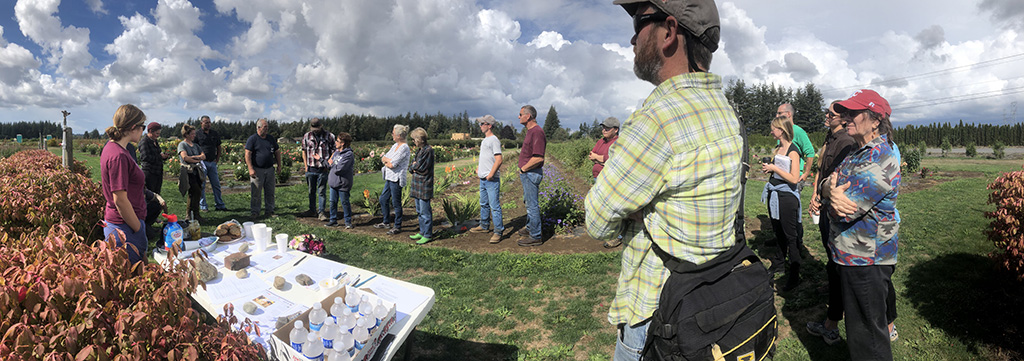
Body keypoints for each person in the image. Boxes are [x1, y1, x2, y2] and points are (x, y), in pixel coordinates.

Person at [586, 0, 745, 359]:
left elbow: (597, 220)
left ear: (670, 32)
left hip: (656, 315)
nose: (632, 39)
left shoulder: (655, 119)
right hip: (714, 298)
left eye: (640, 22)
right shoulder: (726, 110)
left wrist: (641, 212)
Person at [822, 89, 900, 361]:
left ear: (876, 119)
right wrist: (829, 193)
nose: (845, 118)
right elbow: (826, 183)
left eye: (853, 112)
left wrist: (830, 199)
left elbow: (844, 213)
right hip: (851, 256)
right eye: (845, 112)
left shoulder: (880, 158)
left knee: (868, 339)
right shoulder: (856, 152)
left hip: (867, 260)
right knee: (859, 333)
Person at [805, 101, 857, 344]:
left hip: (834, 207)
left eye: (831, 114)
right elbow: (822, 172)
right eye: (827, 112)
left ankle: (834, 321)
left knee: (837, 264)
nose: (827, 116)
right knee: (832, 259)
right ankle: (837, 309)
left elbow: (837, 180)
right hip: (825, 204)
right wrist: (816, 195)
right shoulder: (830, 138)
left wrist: (824, 197)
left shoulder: (846, 142)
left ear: (843, 118)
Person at [101, 104, 149, 265]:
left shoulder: (114, 148)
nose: (143, 131)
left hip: (125, 224)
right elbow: (120, 199)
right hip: (125, 227)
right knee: (133, 277)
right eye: (143, 127)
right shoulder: (118, 156)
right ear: (134, 127)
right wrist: (137, 228)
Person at [760, 116, 804, 291]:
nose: (771, 132)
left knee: (791, 235)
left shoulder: (793, 151)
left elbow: (794, 179)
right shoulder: (778, 148)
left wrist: (774, 168)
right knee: (778, 231)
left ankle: (795, 273)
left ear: (782, 130)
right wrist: (769, 169)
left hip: (786, 198)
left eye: (774, 129)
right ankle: (779, 263)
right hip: (775, 194)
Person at [469, 115, 505, 244]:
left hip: (491, 179)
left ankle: (498, 231)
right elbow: (486, 158)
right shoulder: (485, 140)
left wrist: (491, 174)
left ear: (489, 125)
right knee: (483, 203)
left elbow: (499, 159)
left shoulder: (494, 140)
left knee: (494, 206)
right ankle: (484, 226)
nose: (480, 126)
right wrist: (479, 168)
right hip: (483, 178)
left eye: (482, 123)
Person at [589, 117, 621, 248]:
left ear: (616, 130)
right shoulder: (601, 142)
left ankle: (617, 237)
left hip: (610, 180)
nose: (604, 130)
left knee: (613, 208)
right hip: (598, 178)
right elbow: (592, 155)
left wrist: (600, 159)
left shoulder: (619, 143)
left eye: (607, 128)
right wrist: (602, 160)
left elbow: (614, 159)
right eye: (603, 128)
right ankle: (608, 232)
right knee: (603, 207)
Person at [517, 105, 546, 247]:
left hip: (531, 173)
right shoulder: (530, 131)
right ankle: (530, 228)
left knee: (532, 206)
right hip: (528, 173)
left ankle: (535, 236)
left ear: (528, 116)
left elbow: (538, 158)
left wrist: (524, 168)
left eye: (520, 114)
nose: (519, 116)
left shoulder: (537, 132)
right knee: (528, 202)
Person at [374, 124, 410, 235]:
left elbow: (392, 164)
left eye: (393, 133)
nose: (392, 135)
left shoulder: (404, 147)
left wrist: (387, 160)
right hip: (389, 177)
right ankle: (386, 222)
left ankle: (397, 225)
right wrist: (387, 160)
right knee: (383, 199)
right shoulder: (395, 146)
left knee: (396, 203)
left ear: (399, 135)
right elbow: (384, 158)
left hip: (397, 178)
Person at [245, 119, 281, 218]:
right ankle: (255, 212)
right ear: (258, 127)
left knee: (270, 192)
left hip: (270, 169)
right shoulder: (253, 139)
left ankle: (270, 211)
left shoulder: (271, 138)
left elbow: (277, 152)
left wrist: (279, 165)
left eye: (267, 127)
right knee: (256, 192)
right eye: (265, 127)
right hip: (257, 170)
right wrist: (250, 168)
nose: (267, 129)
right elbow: (247, 154)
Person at [301, 118, 335, 220]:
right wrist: (306, 166)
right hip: (311, 169)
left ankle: (321, 212)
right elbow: (304, 151)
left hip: (322, 169)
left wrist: (328, 163)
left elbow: (334, 151)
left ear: (321, 126)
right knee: (311, 191)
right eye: (313, 128)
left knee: (321, 191)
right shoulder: (307, 136)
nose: (315, 130)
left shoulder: (329, 136)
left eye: (317, 127)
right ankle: (312, 210)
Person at [776, 103, 816, 183]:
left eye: (780, 113)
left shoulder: (798, 131)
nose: (777, 116)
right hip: (780, 175)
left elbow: (810, 152)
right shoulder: (780, 131)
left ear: (788, 114)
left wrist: (806, 173)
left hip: (794, 177)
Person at [408, 127, 435, 245]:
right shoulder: (420, 150)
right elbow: (412, 166)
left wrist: (414, 167)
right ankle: (422, 231)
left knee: (425, 211)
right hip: (417, 185)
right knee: (419, 211)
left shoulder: (428, 150)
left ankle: (428, 234)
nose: (413, 141)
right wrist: (413, 166)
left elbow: (421, 168)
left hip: (424, 185)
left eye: (414, 139)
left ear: (419, 139)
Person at [195, 115, 228, 211]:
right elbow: (194, 147)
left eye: (209, 122)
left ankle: (220, 205)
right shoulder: (197, 134)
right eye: (206, 122)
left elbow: (218, 147)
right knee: (202, 185)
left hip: (212, 162)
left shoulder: (214, 133)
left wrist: (217, 158)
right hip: (202, 162)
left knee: (216, 184)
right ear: (201, 123)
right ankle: (203, 206)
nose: (208, 124)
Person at [177, 124, 206, 222]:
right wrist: (197, 158)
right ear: (187, 134)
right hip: (188, 171)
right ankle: (189, 214)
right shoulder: (182, 145)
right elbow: (185, 158)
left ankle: (196, 213)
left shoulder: (196, 145)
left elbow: (203, 156)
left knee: (198, 191)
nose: (194, 135)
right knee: (193, 191)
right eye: (192, 134)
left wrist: (193, 158)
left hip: (197, 171)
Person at [326, 132, 355, 229]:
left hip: (343, 183)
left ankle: (348, 222)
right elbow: (330, 165)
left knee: (344, 202)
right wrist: (327, 162)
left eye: (337, 141)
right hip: (333, 183)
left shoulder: (348, 155)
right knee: (332, 202)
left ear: (343, 143)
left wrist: (332, 163)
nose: (335, 142)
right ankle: (333, 220)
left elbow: (340, 169)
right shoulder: (336, 152)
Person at [138, 122, 169, 194]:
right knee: (150, 194)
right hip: (150, 173)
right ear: (150, 131)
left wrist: (164, 156)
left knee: (157, 194)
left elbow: (157, 154)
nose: (158, 135)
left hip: (157, 172)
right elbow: (145, 157)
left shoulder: (154, 141)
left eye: (159, 133)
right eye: (157, 133)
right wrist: (160, 156)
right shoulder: (144, 142)